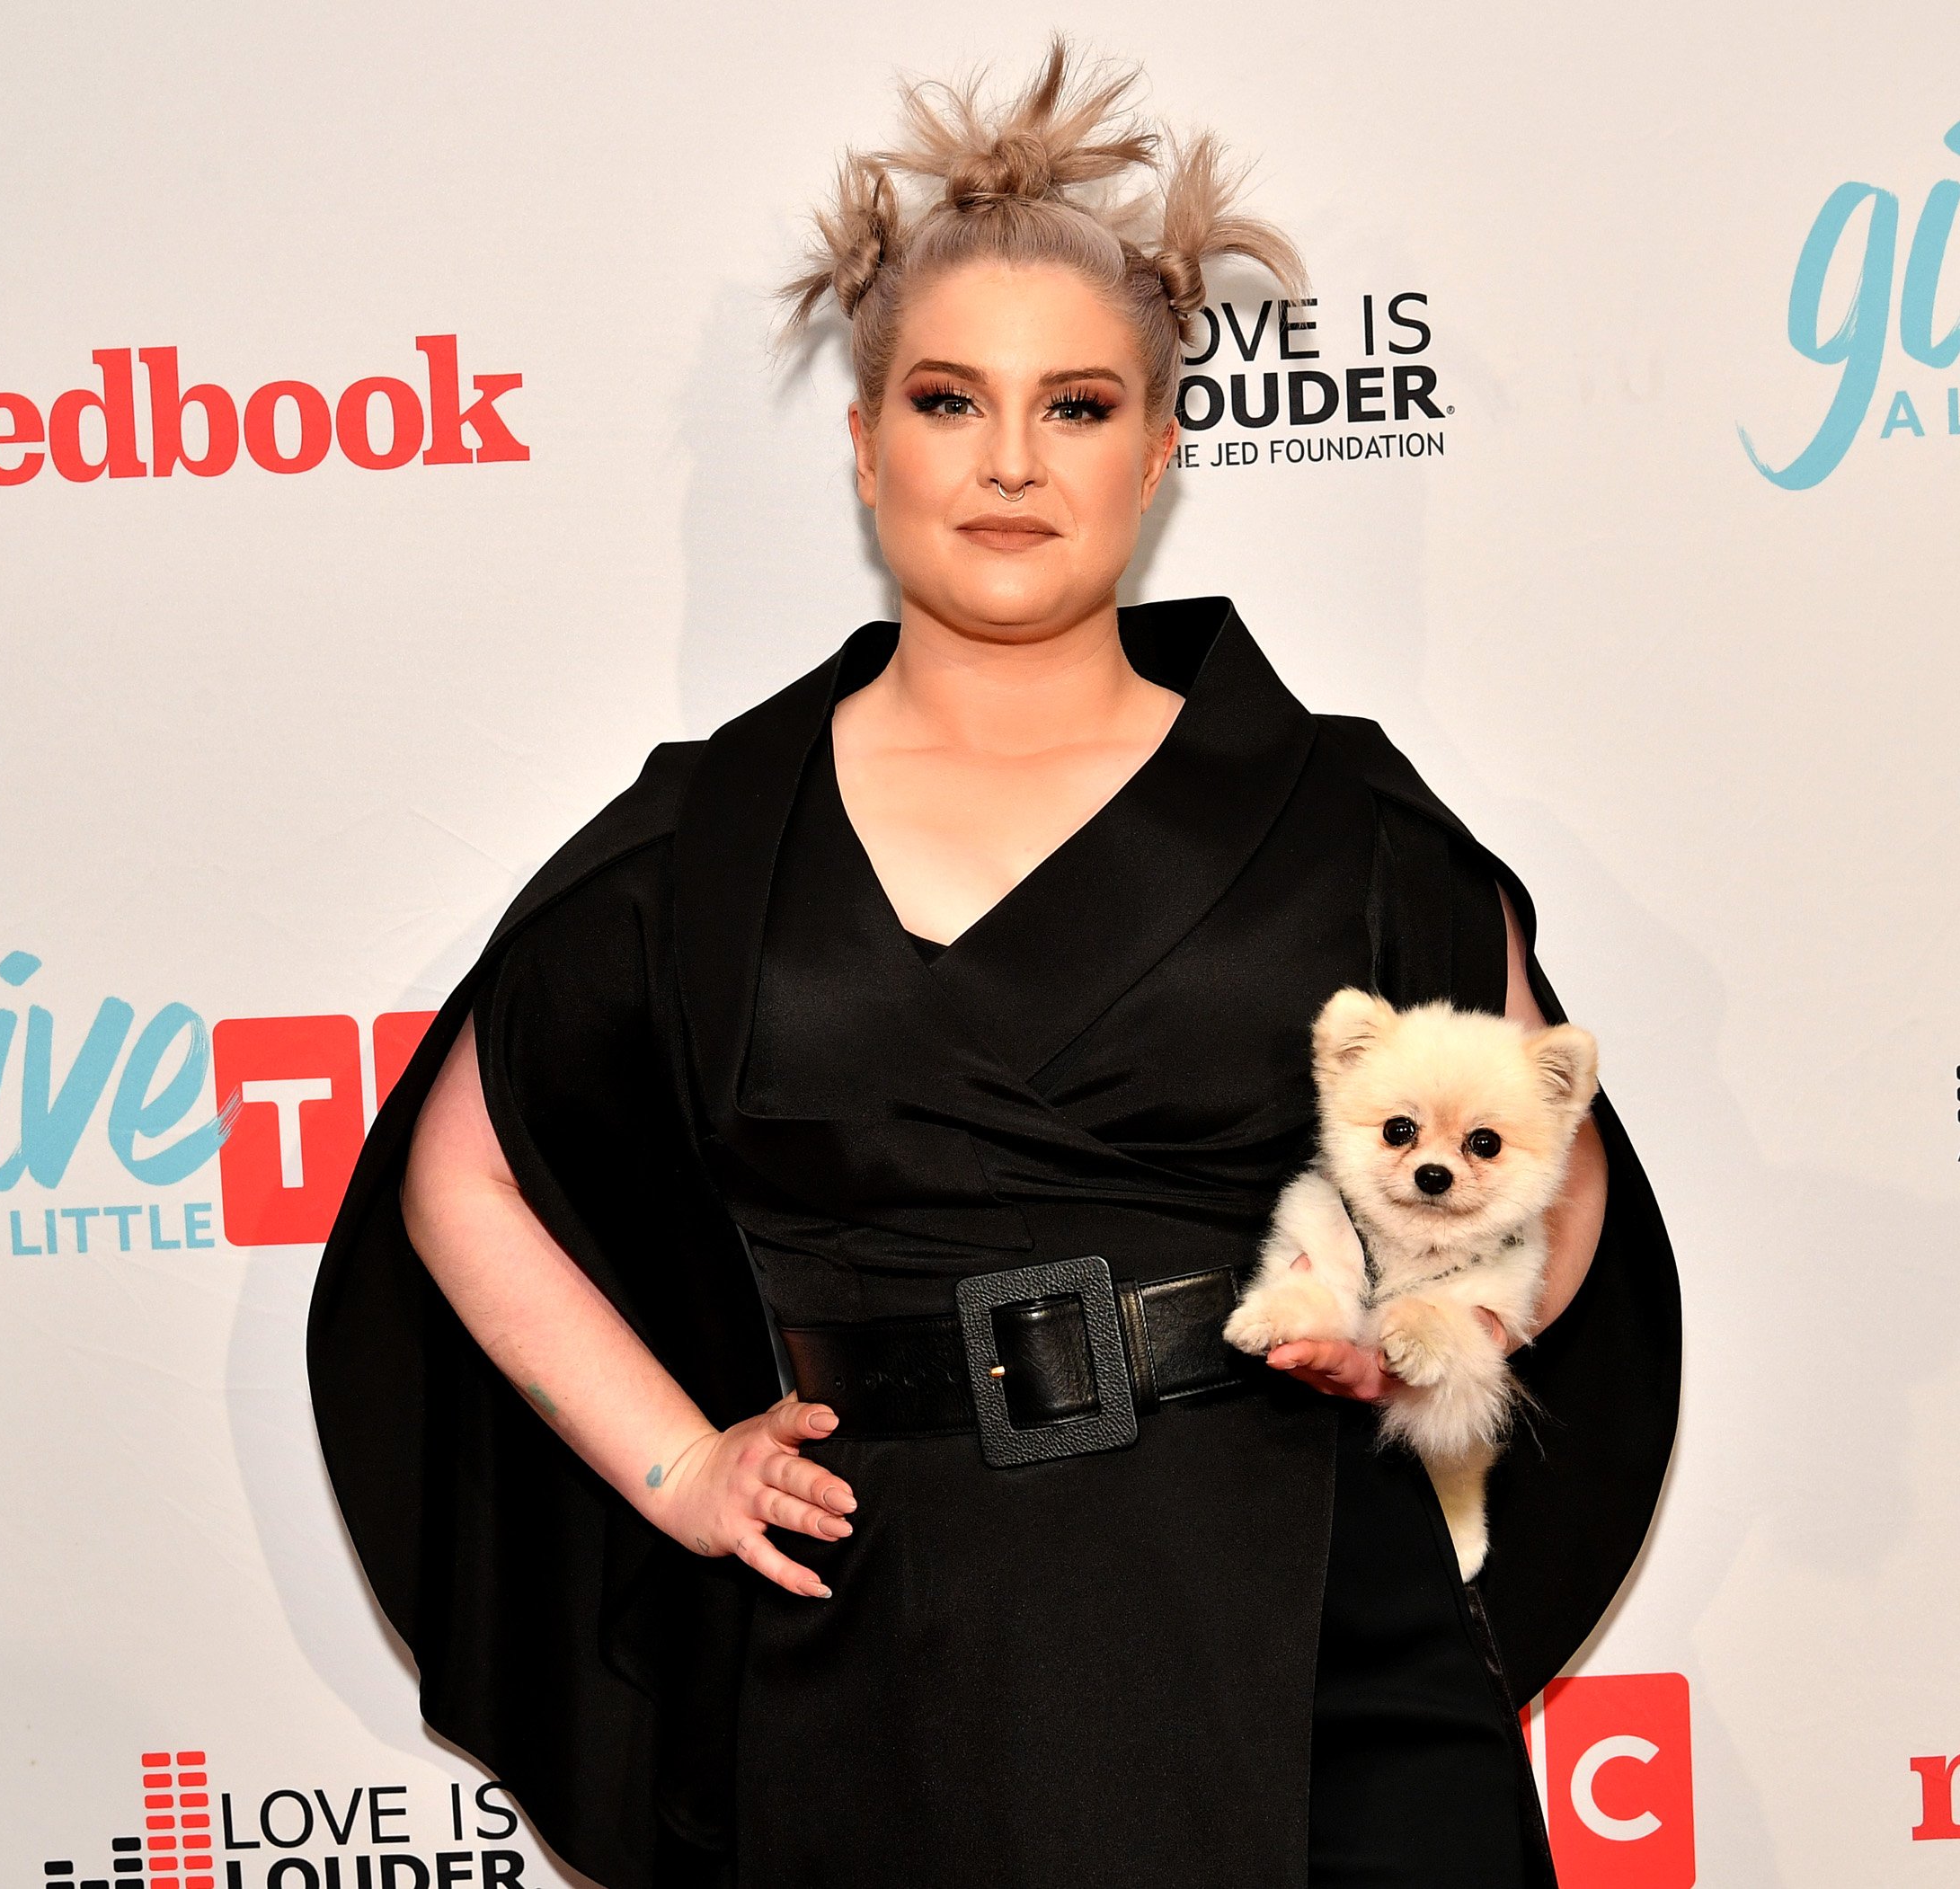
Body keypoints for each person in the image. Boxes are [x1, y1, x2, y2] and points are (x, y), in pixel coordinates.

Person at [307, 41, 1678, 1889]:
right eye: (951, 402)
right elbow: (459, 1178)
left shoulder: (1338, 817)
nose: (1014, 461)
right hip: (888, 1663)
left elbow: (1556, 1168)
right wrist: (677, 1468)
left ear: (1161, 447)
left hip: (1297, 1651)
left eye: (1079, 405)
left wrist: (1467, 1316)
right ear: (867, 446)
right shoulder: (704, 847)